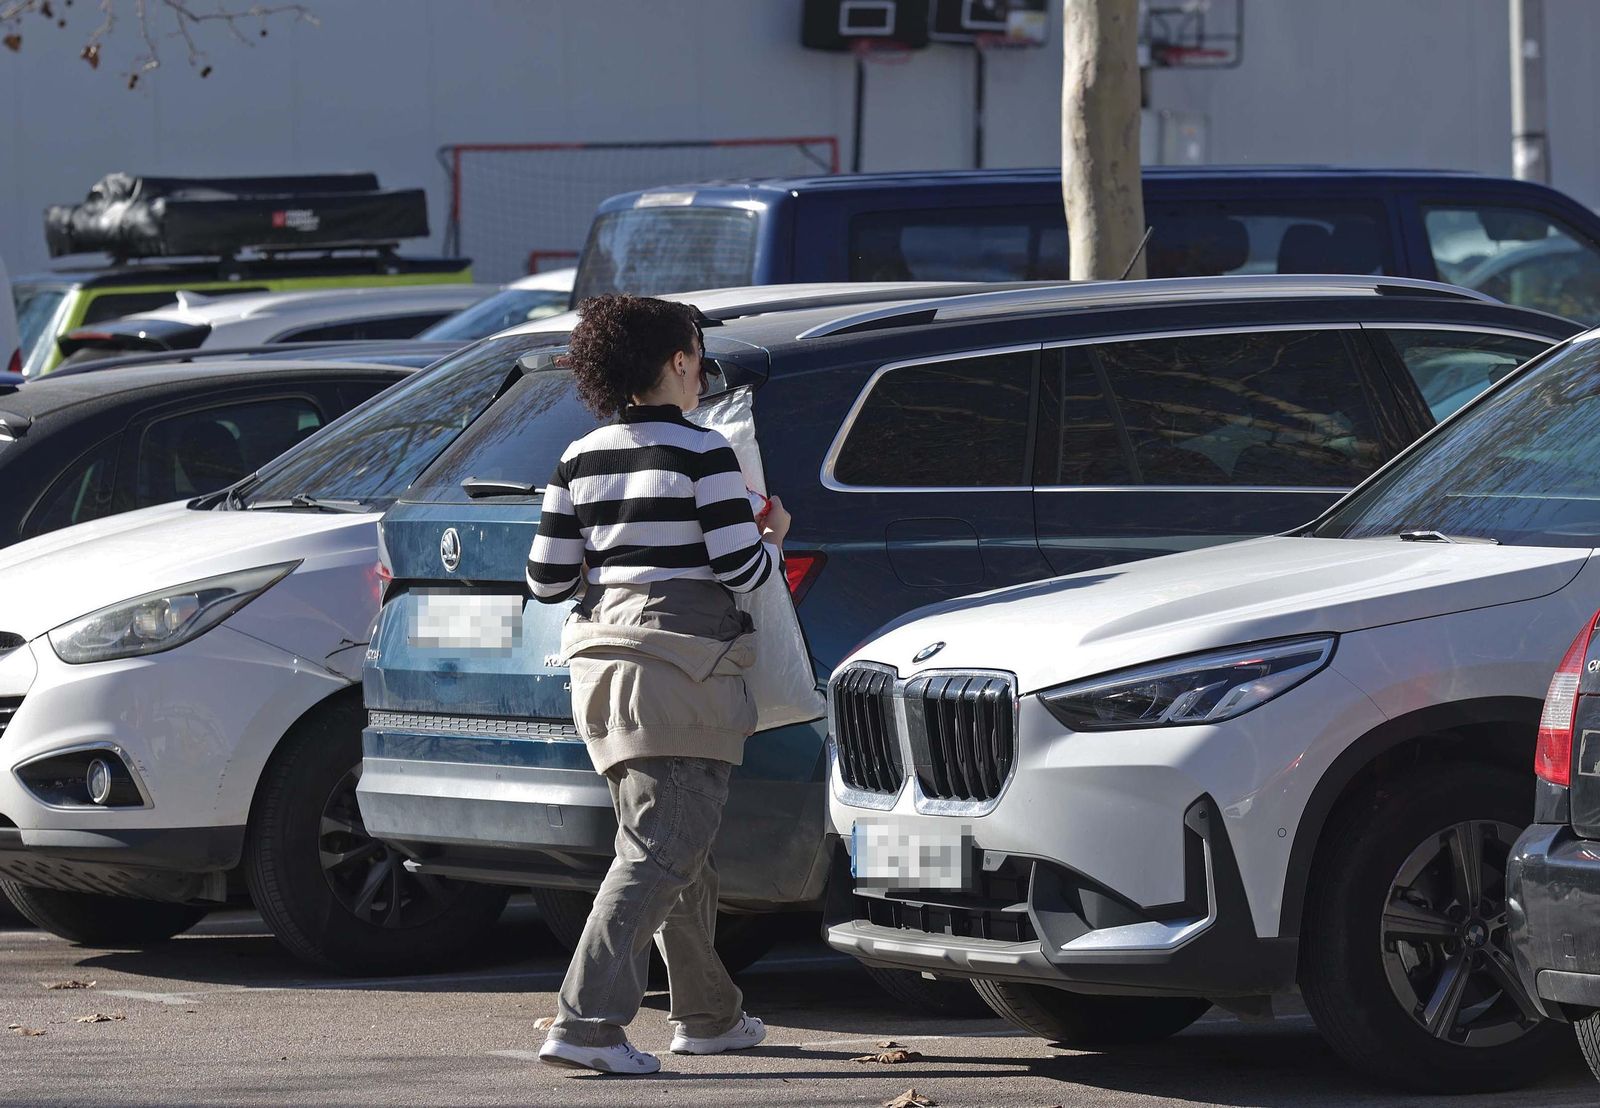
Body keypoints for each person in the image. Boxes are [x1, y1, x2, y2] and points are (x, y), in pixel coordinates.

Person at [527, 294, 791, 1075]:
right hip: (684, 667)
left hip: (601, 671)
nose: (702, 373)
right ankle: (588, 1025)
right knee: (660, 849)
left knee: (677, 847)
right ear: (678, 362)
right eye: (698, 358)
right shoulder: (705, 452)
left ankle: (709, 1014)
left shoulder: (578, 456)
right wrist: (771, 534)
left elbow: (545, 580)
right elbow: (741, 569)